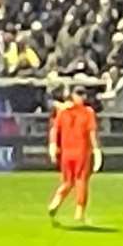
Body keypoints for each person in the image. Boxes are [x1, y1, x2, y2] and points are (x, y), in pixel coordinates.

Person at [46, 85, 101, 226]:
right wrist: (96, 150)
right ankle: (79, 212)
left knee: (68, 182)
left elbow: (54, 130)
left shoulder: (63, 112)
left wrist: (53, 146)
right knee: (81, 180)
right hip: (81, 152)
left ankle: (56, 202)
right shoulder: (88, 112)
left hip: (66, 152)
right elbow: (92, 133)